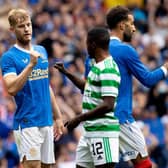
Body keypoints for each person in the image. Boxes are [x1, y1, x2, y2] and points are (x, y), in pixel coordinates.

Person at [55, 6, 168, 168]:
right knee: (143, 164)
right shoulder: (125, 50)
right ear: (122, 25)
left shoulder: (92, 54)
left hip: (95, 122)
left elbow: (87, 89)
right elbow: (148, 80)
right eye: (132, 23)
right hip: (120, 118)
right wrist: (165, 69)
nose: (134, 28)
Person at [1, 9, 64, 168]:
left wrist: (57, 116)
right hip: (27, 121)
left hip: (46, 120)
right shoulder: (9, 57)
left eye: (28, 24)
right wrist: (30, 66)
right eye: (21, 26)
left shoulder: (40, 50)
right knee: (32, 166)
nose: (27, 29)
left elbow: (45, 85)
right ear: (12, 30)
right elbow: (11, 89)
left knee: (46, 166)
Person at [61, 27, 121, 168]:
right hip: (89, 132)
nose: (85, 47)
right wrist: (67, 73)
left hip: (103, 132)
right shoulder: (97, 66)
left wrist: (79, 118)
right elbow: (87, 87)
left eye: (87, 43)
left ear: (93, 45)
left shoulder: (108, 68)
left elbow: (108, 104)